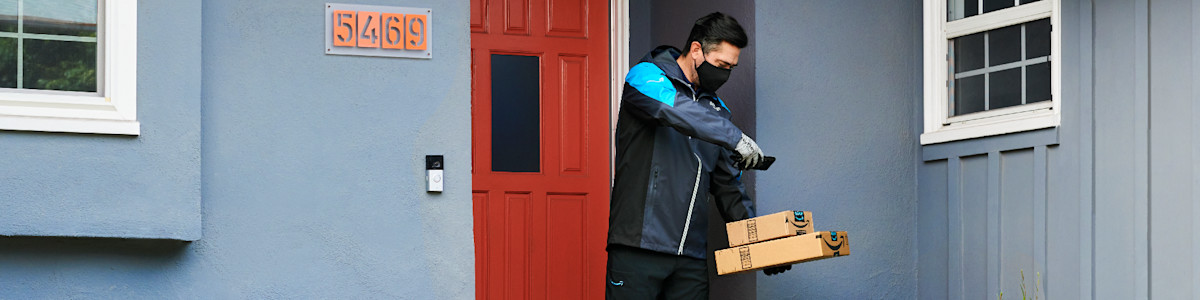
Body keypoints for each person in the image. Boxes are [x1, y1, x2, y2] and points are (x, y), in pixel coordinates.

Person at [606, 12, 787, 300]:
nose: (725, 74)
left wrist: (762, 249)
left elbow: (729, 189)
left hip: (690, 259)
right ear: (695, 50)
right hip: (638, 247)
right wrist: (735, 137)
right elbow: (675, 109)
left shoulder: (718, 112)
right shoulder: (645, 75)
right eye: (721, 65)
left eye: (731, 67)